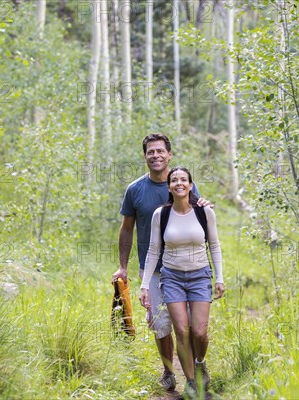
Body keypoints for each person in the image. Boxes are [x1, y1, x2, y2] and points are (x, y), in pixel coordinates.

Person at [112, 134, 210, 391]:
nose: (155, 156)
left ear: (169, 154)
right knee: (161, 324)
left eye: (159, 151)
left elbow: (199, 214)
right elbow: (126, 229)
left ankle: (196, 370)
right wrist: (123, 266)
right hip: (152, 267)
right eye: (150, 152)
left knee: (188, 326)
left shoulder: (182, 182)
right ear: (145, 157)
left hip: (184, 267)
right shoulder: (135, 190)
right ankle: (169, 371)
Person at [139, 167, 224, 396]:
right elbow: (153, 250)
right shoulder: (161, 214)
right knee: (181, 330)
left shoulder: (204, 212)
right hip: (172, 277)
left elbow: (214, 245)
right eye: (174, 180)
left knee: (199, 332)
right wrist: (145, 285)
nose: (179, 183)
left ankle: (200, 362)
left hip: (199, 276)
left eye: (183, 180)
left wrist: (220, 278)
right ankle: (192, 383)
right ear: (169, 187)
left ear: (190, 185)